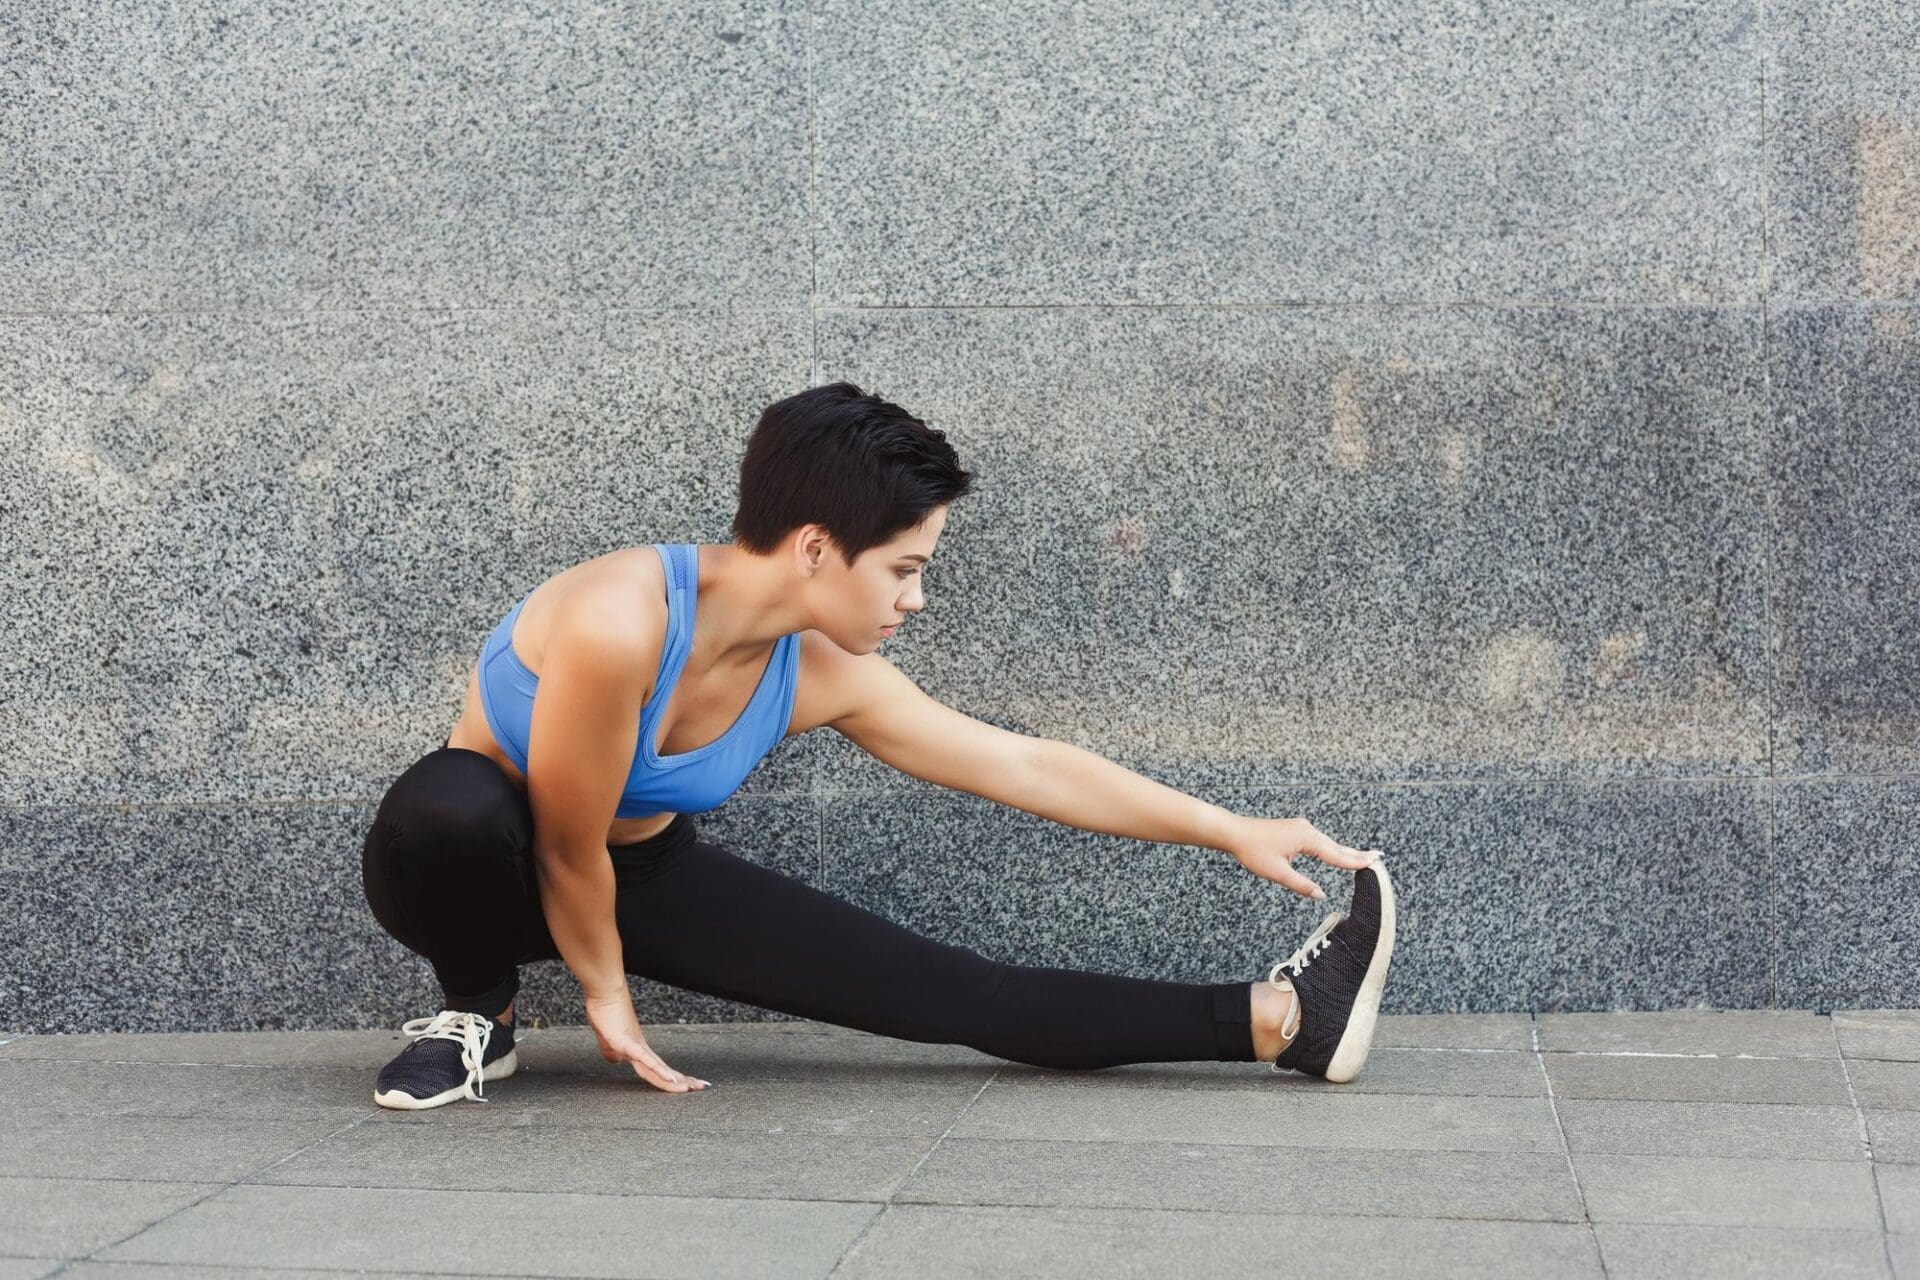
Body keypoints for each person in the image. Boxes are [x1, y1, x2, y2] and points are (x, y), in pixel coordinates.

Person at [359, 381, 1397, 1110]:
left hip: (637, 873)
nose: (916, 596)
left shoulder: (819, 669)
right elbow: (562, 842)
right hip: (477, 868)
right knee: (453, 804)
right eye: (902, 568)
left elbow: (1021, 763)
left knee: (961, 992)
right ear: (815, 546)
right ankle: (477, 1010)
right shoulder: (618, 618)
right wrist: (607, 994)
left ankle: (1285, 1019)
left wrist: (1227, 827)